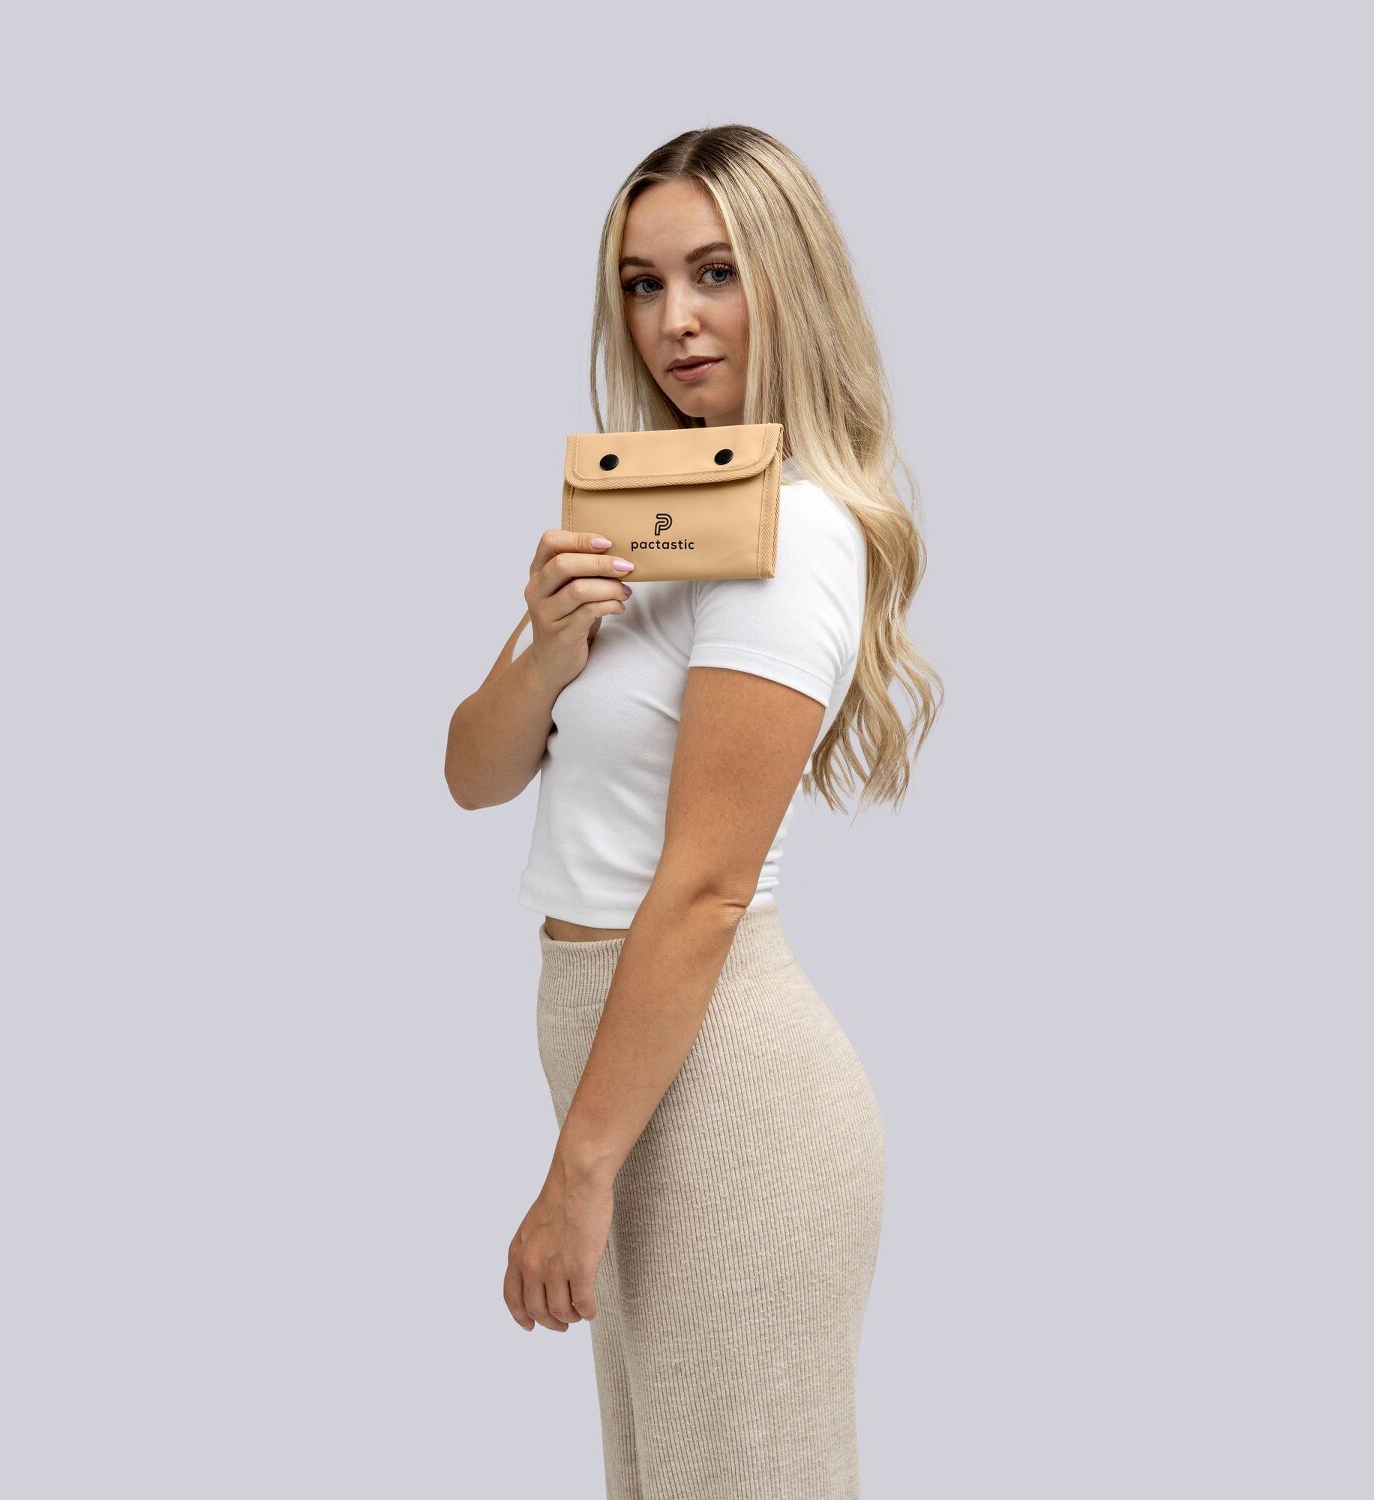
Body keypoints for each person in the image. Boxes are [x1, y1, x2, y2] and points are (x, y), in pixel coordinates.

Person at [443, 124, 942, 1499]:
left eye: (715, 273)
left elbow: (708, 886)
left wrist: (576, 1173)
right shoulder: (648, 516)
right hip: (633, 1084)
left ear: (790, 283)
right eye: (643, 283)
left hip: (724, 1095)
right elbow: (474, 773)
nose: (675, 320)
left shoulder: (799, 534)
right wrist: (548, 647)